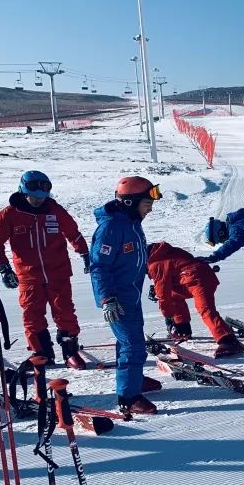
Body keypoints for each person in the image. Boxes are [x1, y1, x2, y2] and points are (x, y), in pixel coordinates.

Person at [0, 170, 91, 368]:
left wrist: (84, 253)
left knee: (65, 312)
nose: (38, 201)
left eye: (42, 197)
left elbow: (73, 233)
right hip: (28, 276)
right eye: (33, 196)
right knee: (32, 315)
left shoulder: (55, 210)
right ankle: (42, 352)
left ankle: (70, 351)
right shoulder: (9, 214)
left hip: (58, 272)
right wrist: (4, 268)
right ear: (23, 192)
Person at [89, 176, 162, 415]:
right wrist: (106, 298)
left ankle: (134, 379)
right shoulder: (111, 227)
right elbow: (99, 266)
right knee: (133, 346)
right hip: (117, 299)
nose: (151, 206)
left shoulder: (132, 222)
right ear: (130, 202)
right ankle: (128, 397)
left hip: (131, 295)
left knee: (129, 341)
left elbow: (136, 258)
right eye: (147, 201)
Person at [146, 242, 244, 358]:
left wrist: (168, 316)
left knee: (205, 310)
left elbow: (163, 294)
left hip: (198, 279)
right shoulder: (164, 253)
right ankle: (182, 328)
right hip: (194, 279)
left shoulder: (155, 263)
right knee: (174, 295)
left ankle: (228, 340)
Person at [200, 209, 244, 323]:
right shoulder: (240, 223)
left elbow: (234, 242)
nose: (221, 242)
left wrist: (215, 256)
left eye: (219, 240)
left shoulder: (236, 228)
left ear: (221, 233)